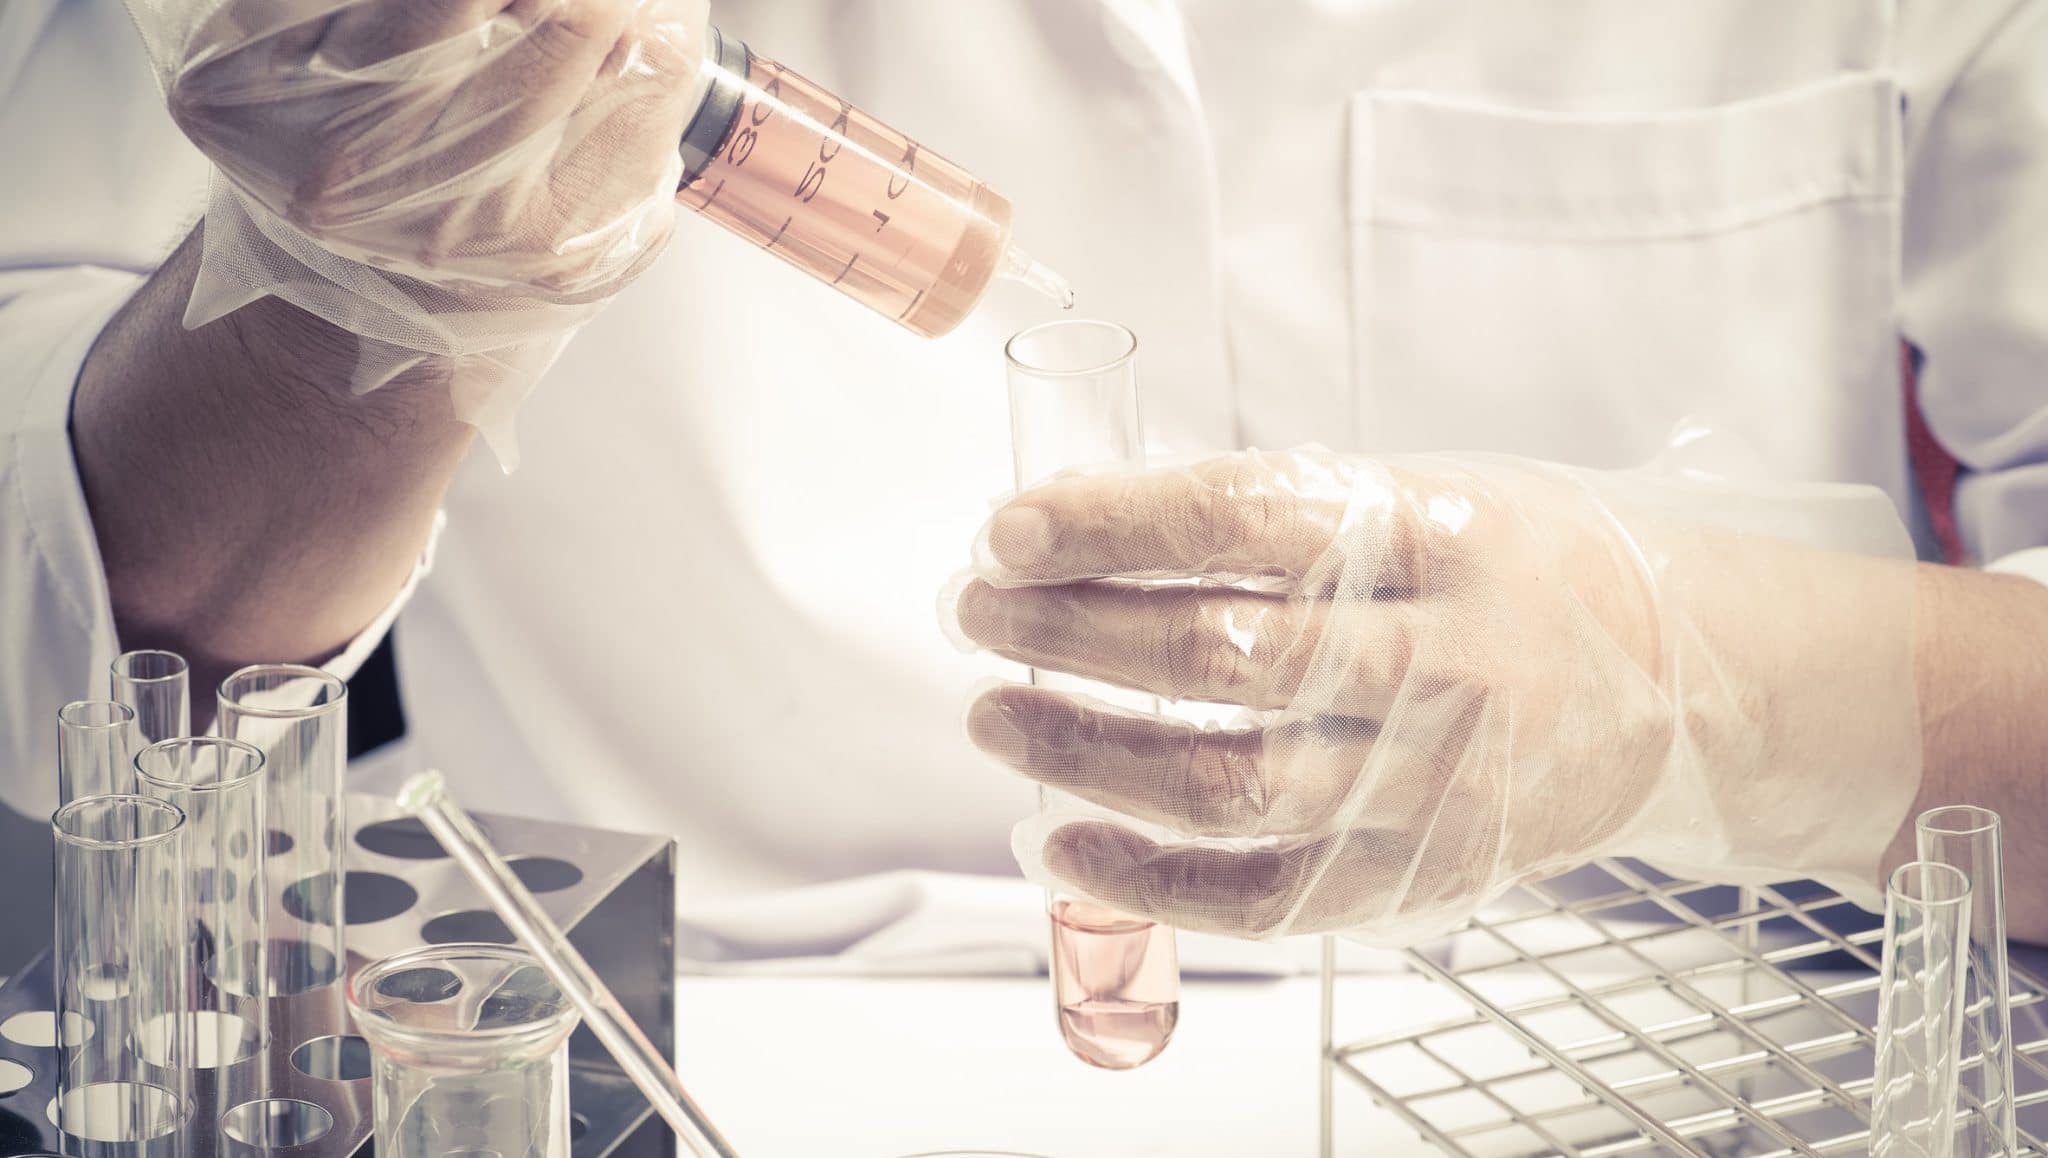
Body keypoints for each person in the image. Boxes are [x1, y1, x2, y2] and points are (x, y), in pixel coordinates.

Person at [3, 0, 2046, 965]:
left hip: (1686, 1068)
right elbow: (69, 686)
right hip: (713, 1053)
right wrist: (361, 293)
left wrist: (1713, 686)